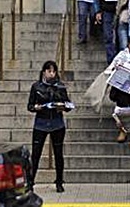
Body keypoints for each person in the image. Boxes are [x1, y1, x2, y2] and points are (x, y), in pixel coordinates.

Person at [27, 61, 73, 193]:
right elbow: (30, 106)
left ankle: (59, 181)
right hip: (41, 123)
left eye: (53, 71)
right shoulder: (36, 87)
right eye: (49, 71)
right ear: (44, 72)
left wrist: (63, 106)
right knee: (36, 154)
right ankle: (31, 182)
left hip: (57, 123)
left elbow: (68, 104)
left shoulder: (60, 86)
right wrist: (38, 107)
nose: (51, 74)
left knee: (58, 153)